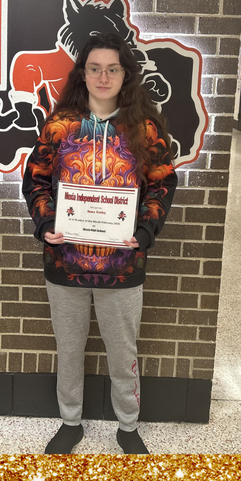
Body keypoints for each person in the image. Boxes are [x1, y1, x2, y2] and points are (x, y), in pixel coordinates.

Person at [22, 33, 178, 455]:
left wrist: (144, 234)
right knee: (68, 350)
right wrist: (46, 223)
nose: (103, 76)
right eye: (95, 68)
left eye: (112, 68)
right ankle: (70, 422)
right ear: (83, 74)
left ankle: (128, 426)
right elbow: (35, 179)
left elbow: (162, 187)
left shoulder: (144, 129)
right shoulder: (59, 127)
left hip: (123, 266)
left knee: (122, 351)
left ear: (125, 74)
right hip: (65, 261)